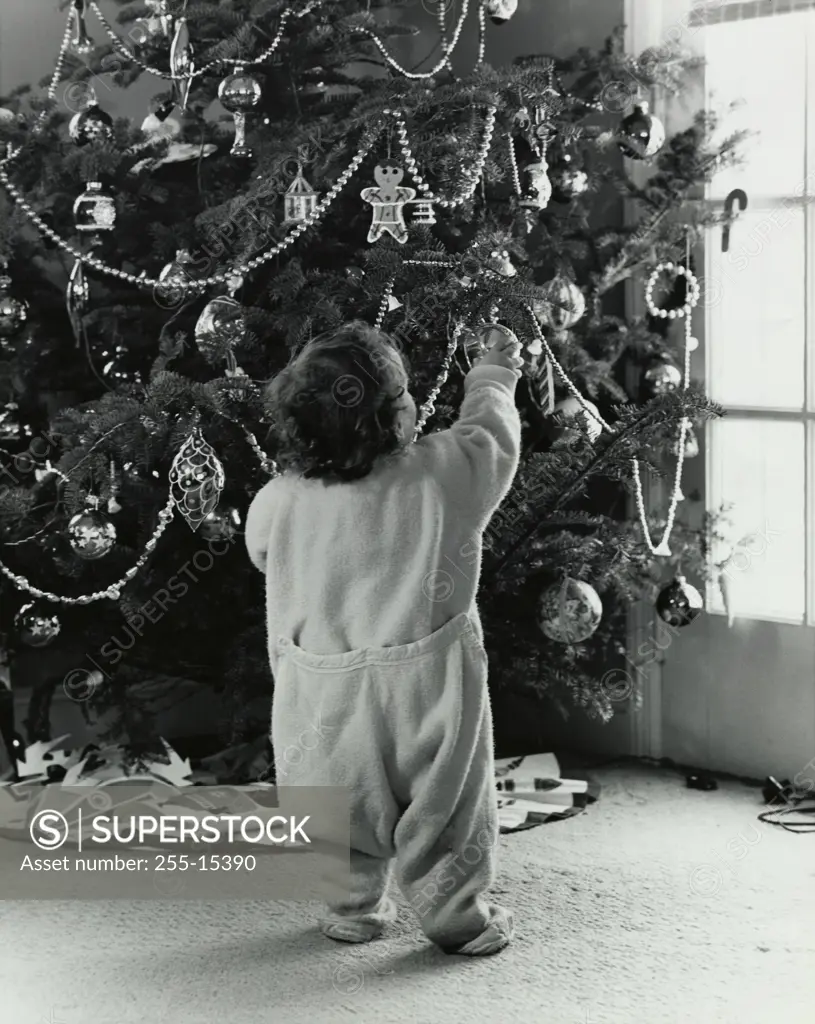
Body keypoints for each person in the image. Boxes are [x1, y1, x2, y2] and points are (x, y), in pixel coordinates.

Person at [245, 320, 522, 956]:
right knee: (447, 804)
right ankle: (458, 916)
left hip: (322, 689)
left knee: (333, 799)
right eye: (401, 396)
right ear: (389, 419)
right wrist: (492, 373)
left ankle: (352, 907)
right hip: (424, 687)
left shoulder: (281, 498)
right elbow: (492, 440)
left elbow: (263, 552)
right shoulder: (439, 475)